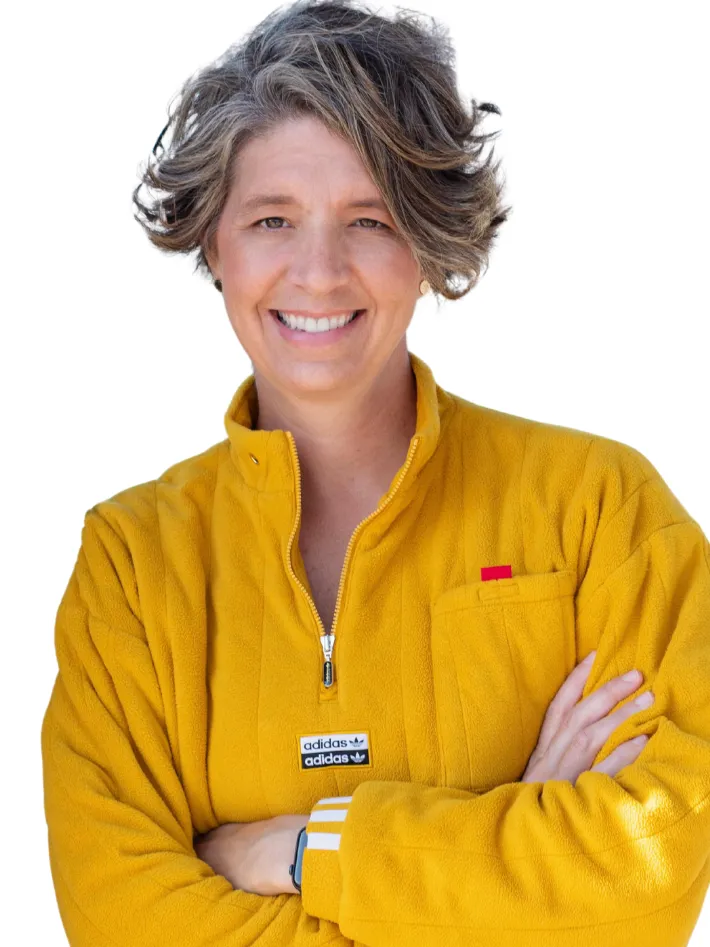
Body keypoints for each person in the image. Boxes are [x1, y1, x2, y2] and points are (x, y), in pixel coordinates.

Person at [41, 1, 710, 945]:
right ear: (215, 245)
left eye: (369, 220)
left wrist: (302, 851)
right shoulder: (133, 567)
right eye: (272, 219)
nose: (318, 271)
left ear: (428, 247)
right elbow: (121, 917)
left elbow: (653, 871)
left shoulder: (601, 512)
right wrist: (511, 855)